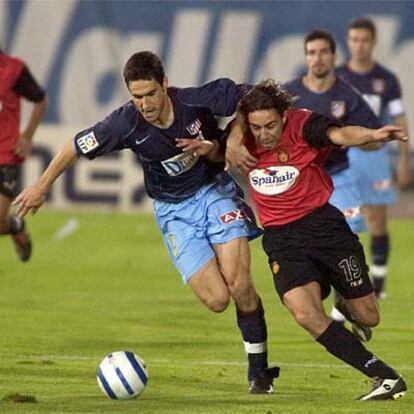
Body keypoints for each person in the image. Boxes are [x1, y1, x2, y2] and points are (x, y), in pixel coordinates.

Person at [13, 51, 279, 394]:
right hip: (172, 211)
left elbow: (257, 98)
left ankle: (259, 373)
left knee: (240, 283)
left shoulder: (196, 101)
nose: (144, 103)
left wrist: (233, 139)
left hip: (213, 193)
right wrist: (41, 185)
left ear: (165, 84)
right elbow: (75, 146)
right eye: (136, 96)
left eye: (150, 93)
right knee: (217, 300)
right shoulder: (125, 123)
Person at [224, 79, 407, 401]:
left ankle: (345, 303)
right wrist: (227, 143)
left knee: (368, 316)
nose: (264, 135)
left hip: (326, 230)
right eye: (256, 127)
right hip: (283, 240)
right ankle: (384, 376)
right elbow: (216, 147)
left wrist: (371, 135)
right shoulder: (240, 141)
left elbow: (340, 135)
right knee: (305, 313)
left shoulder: (305, 125)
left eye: (270, 125)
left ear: (284, 115)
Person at [283, 29, 381, 327]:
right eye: (311, 52)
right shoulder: (289, 94)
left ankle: (350, 305)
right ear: (306, 57)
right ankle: (336, 303)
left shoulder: (347, 96)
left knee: (347, 235)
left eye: (323, 52)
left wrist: (349, 137)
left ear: (334, 56)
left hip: (338, 179)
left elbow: (374, 139)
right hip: (300, 184)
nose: (317, 58)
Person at [336, 17, 411, 299]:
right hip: (345, 155)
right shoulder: (339, 77)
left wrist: (403, 159)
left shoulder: (386, 80)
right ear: (348, 42)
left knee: (378, 219)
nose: (360, 45)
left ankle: (378, 284)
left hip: (376, 155)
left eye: (365, 40)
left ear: (373, 42)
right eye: (354, 40)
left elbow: (400, 119)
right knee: (344, 219)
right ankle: (348, 279)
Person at [0, 46, 46, 261]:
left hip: (5, 155)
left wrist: (27, 135)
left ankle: (16, 226)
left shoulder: (13, 69)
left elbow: (40, 100)